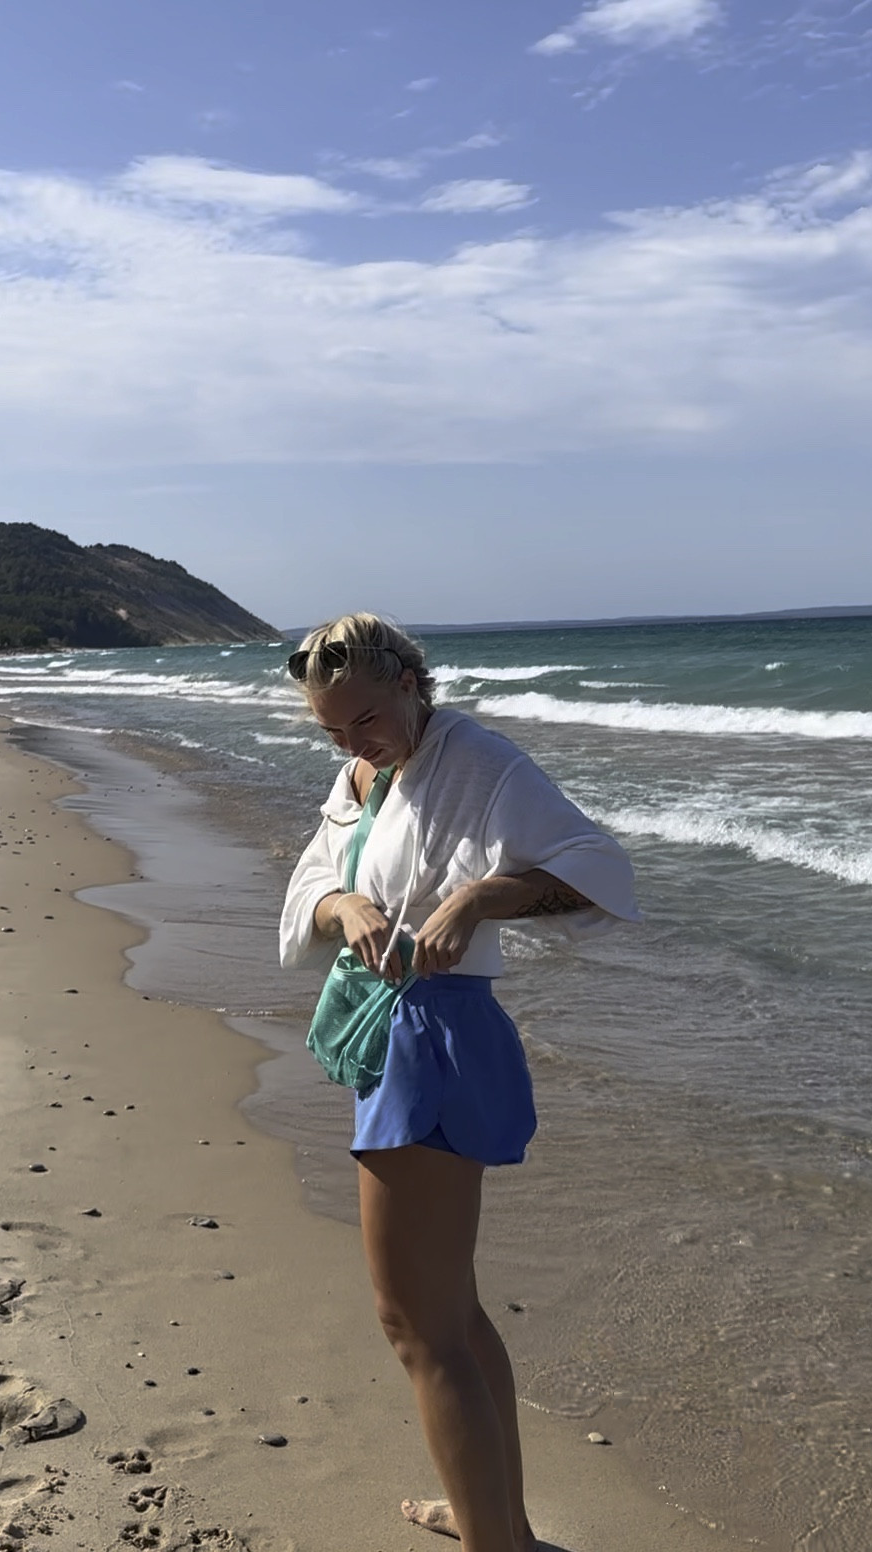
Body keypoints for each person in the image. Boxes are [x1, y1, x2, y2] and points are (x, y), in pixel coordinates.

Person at [280, 614, 639, 1552]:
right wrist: (342, 900)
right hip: (386, 1033)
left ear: (409, 682)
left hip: (436, 1039)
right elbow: (316, 875)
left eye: (363, 720)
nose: (353, 744)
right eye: (331, 732)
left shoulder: (478, 759)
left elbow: (598, 872)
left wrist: (486, 893)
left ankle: (498, 1543)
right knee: (453, 1311)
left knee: (415, 1323)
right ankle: (497, 1518)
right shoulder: (368, 770)